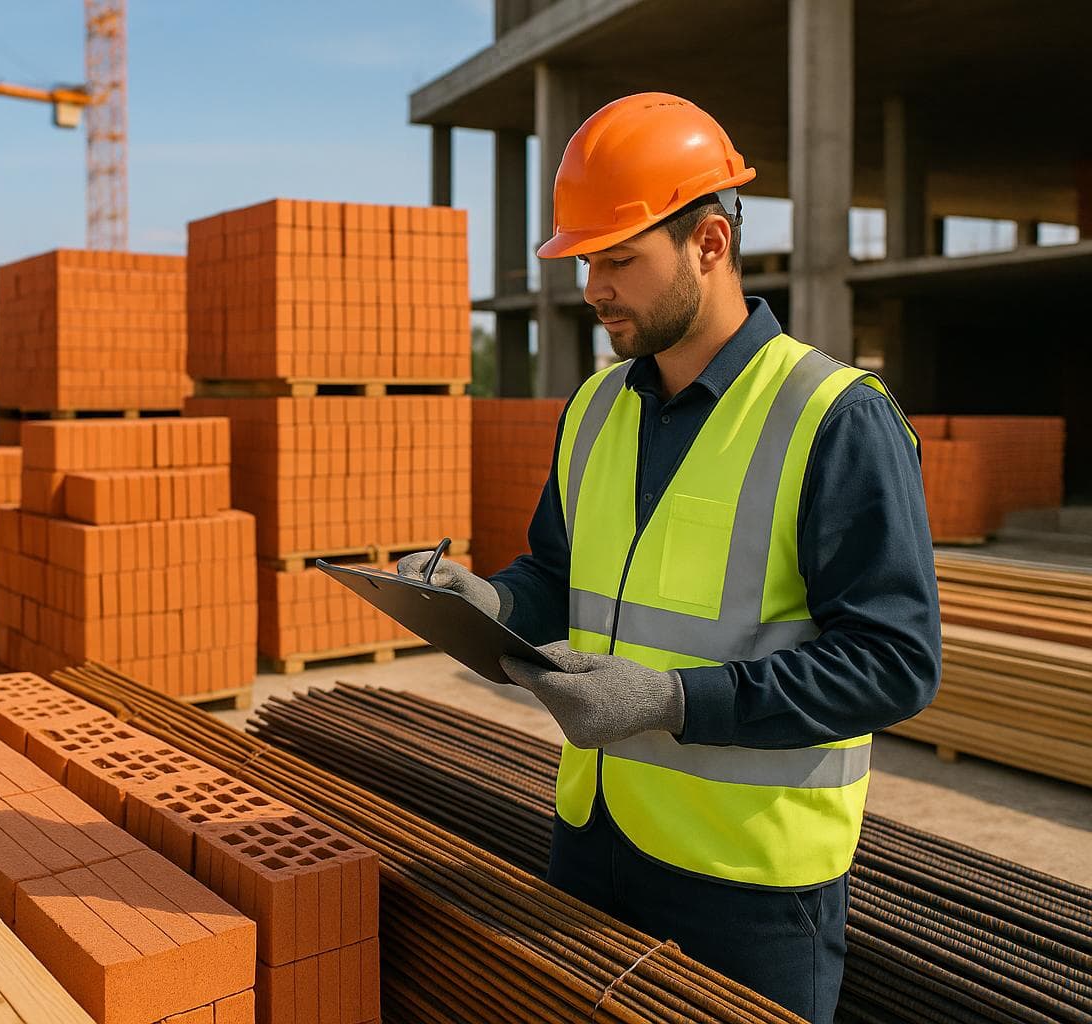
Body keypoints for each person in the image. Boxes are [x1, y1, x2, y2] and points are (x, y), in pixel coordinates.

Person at [398, 92, 941, 1023]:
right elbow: (557, 577)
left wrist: (671, 700)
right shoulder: (596, 408)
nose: (593, 287)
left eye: (619, 259)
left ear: (710, 244)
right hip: (593, 840)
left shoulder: (834, 417)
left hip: (751, 884)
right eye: (585, 261)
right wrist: (482, 599)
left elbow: (895, 664)